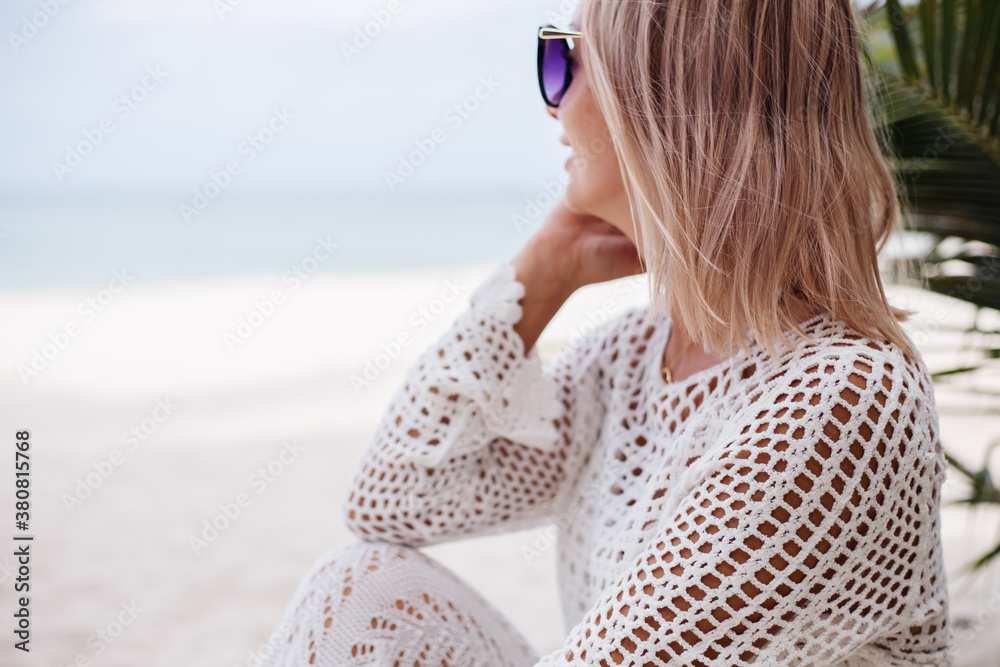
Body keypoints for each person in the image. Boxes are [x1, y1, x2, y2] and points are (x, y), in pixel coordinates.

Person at [260, 0, 954, 664]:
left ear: (667, 100)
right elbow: (392, 499)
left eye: (566, 60)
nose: (550, 99)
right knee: (358, 582)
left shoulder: (842, 398)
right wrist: (541, 273)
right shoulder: (631, 360)